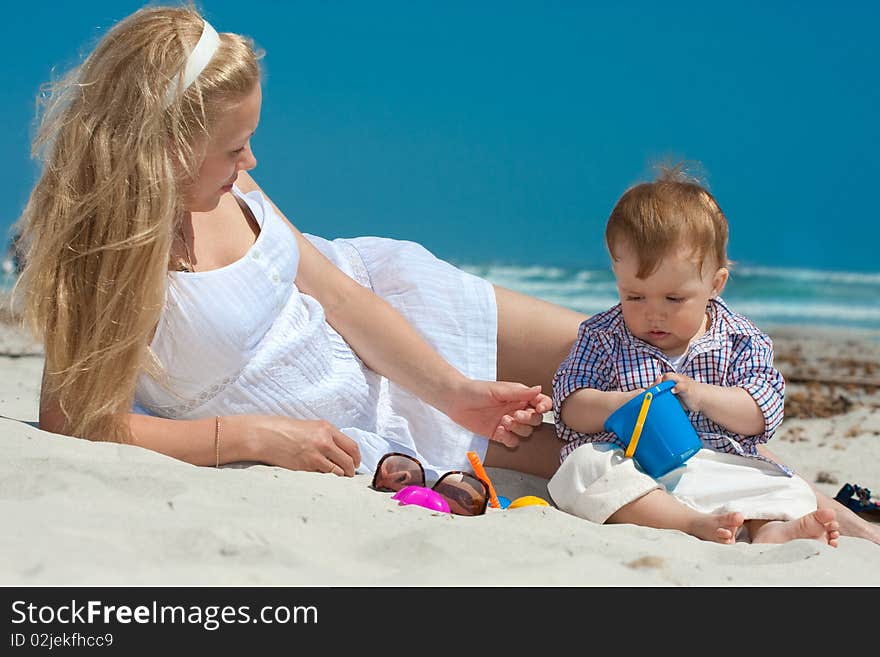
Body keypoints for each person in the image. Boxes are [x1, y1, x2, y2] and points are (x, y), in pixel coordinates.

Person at [11, 4, 877, 545]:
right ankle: (804, 515)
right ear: (166, 148)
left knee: (635, 358)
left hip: (400, 314)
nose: (254, 158)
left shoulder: (233, 186)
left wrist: (459, 391)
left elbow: (339, 293)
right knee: (627, 451)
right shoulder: (106, 262)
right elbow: (79, 426)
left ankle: (823, 498)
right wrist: (242, 437)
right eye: (235, 145)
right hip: (362, 428)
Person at [547, 165, 841, 546]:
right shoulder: (603, 335)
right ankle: (687, 524)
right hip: (637, 470)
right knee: (582, 468)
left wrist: (701, 395)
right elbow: (569, 405)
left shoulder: (739, 339)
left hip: (719, 467)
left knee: (789, 487)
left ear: (714, 284)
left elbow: (760, 412)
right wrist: (621, 404)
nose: (654, 312)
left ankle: (771, 531)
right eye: (634, 296)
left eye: (674, 298)